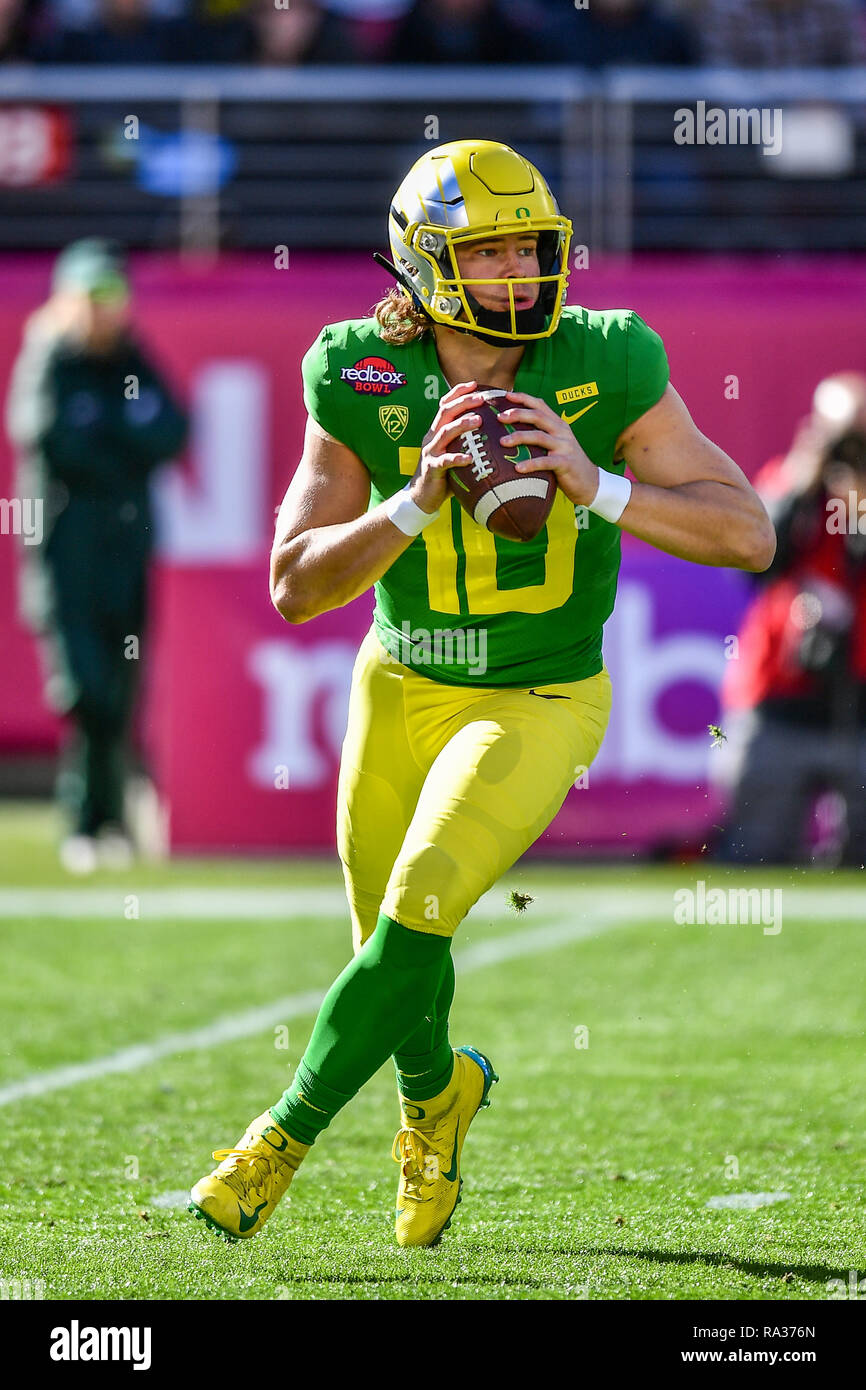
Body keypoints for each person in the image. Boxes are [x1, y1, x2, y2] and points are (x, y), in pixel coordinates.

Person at [189, 139, 774, 1248]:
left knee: (418, 901)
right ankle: (436, 1100)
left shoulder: (604, 357)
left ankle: (278, 1138)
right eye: (487, 251)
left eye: (529, 249)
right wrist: (409, 503)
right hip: (398, 679)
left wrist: (594, 479)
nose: (516, 275)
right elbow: (292, 586)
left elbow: (745, 532)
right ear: (421, 262)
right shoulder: (356, 368)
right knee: (393, 947)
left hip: (538, 697)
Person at [5, 239, 188, 873]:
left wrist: (109, 437)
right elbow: (50, 439)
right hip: (64, 559)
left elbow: (173, 429)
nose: (103, 310)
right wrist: (124, 441)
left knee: (121, 689)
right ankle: (85, 818)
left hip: (126, 554)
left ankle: (109, 823)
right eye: (91, 297)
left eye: (113, 296)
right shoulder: (50, 359)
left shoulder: (132, 360)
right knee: (85, 691)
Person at [713, 373, 866, 866]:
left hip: (859, 708)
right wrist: (807, 471)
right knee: (756, 859)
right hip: (777, 701)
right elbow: (755, 562)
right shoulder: (787, 481)